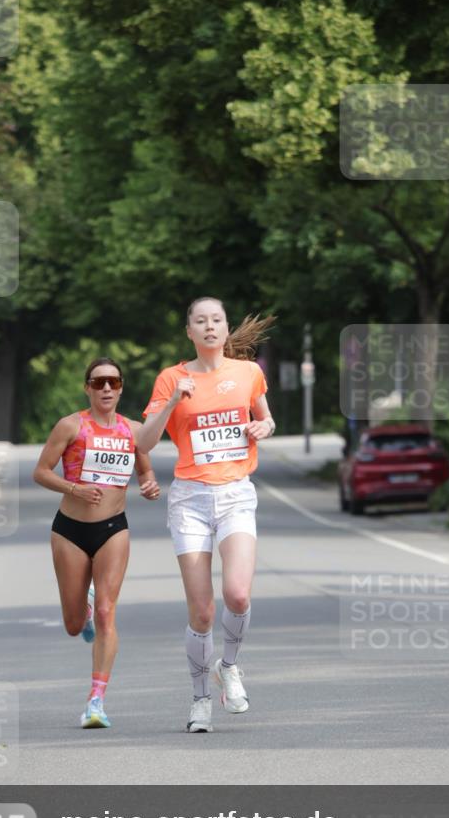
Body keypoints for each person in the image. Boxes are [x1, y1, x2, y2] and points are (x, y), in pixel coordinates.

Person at [138, 298, 276, 733]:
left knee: (237, 595)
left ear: (226, 327)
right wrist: (171, 401)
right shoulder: (171, 378)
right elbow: (142, 441)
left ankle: (229, 666)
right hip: (191, 500)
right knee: (201, 612)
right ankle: (200, 701)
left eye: (217, 320)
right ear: (190, 332)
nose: (210, 326)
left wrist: (262, 428)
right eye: (201, 321)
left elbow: (267, 419)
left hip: (236, 493)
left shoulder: (248, 373)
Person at [33, 357, 160, 729]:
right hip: (70, 530)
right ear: (87, 387)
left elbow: (146, 470)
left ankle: (96, 701)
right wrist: (74, 487)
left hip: (113, 529)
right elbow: (40, 471)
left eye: (114, 382)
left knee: (108, 612)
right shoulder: (71, 426)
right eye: (99, 382)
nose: (106, 388)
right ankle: (83, 610)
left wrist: (150, 485)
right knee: (74, 625)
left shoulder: (134, 431)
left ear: (121, 388)